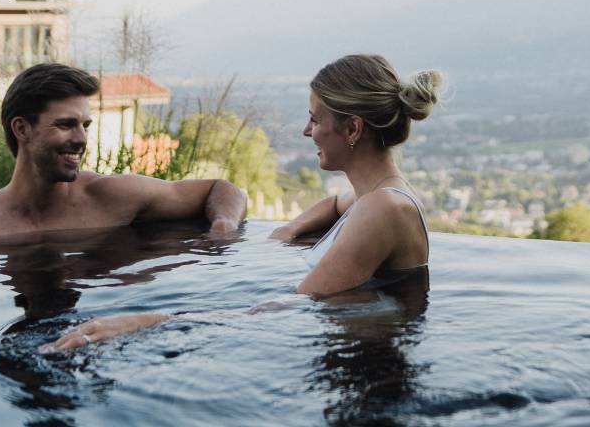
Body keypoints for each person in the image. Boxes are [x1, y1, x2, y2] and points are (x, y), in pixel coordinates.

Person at [44, 53, 442, 352]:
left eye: (316, 120)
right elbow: (337, 205)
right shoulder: (377, 196)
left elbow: (287, 308)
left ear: (353, 128)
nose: (307, 131)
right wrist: (285, 232)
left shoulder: (383, 208)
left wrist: (150, 321)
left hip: (371, 371)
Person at [0, 62, 246, 243]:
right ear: (22, 129)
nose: (81, 138)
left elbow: (221, 189)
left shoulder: (111, 197)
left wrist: (224, 223)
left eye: (85, 125)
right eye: (67, 124)